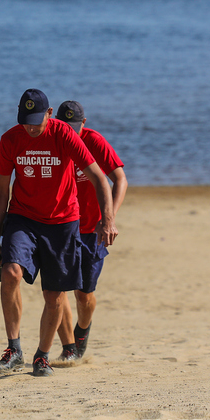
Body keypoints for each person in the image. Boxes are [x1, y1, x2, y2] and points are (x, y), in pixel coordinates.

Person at [0, 88, 118, 377]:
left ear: (49, 114)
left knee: (55, 294)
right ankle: (14, 349)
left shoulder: (64, 134)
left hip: (62, 220)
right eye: (25, 121)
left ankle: (42, 356)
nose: (31, 128)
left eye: (36, 120)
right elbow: (0, 192)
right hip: (23, 216)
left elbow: (99, 177)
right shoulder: (11, 139)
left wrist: (107, 219)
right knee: (10, 273)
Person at [54, 101, 127, 363]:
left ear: (84, 124)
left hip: (91, 229)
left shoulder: (94, 141)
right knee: (56, 290)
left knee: (83, 295)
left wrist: (109, 219)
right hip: (60, 226)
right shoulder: (52, 139)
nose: (70, 133)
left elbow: (120, 179)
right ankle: (69, 347)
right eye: (65, 127)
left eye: (75, 127)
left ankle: (82, 331)